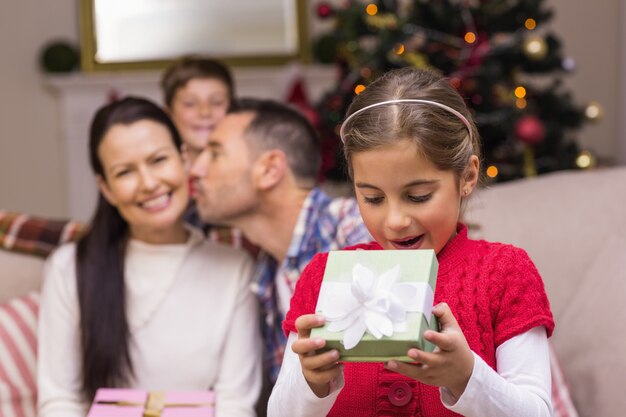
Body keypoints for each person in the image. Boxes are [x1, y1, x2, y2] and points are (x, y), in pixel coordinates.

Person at [268, 68, 555, 417]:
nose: (395, 221)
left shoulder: (504, 272)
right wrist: (310, 383)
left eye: (418, 196)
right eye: (373, 198)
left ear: (467, 176)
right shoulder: (323, 277)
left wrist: (466, 377)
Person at [37, 97, 261, 417]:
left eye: (158, 160)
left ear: (184, 159)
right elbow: (60, 400)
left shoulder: (233, 268)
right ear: (106, 188)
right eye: (125, 172)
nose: (149, 183)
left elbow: (235, 405)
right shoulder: (69, 267)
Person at [189, 98, 371, 385]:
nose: (195, 170)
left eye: (214, 153)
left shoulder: (356, 229)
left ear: (270, 169)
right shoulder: (266, 282)